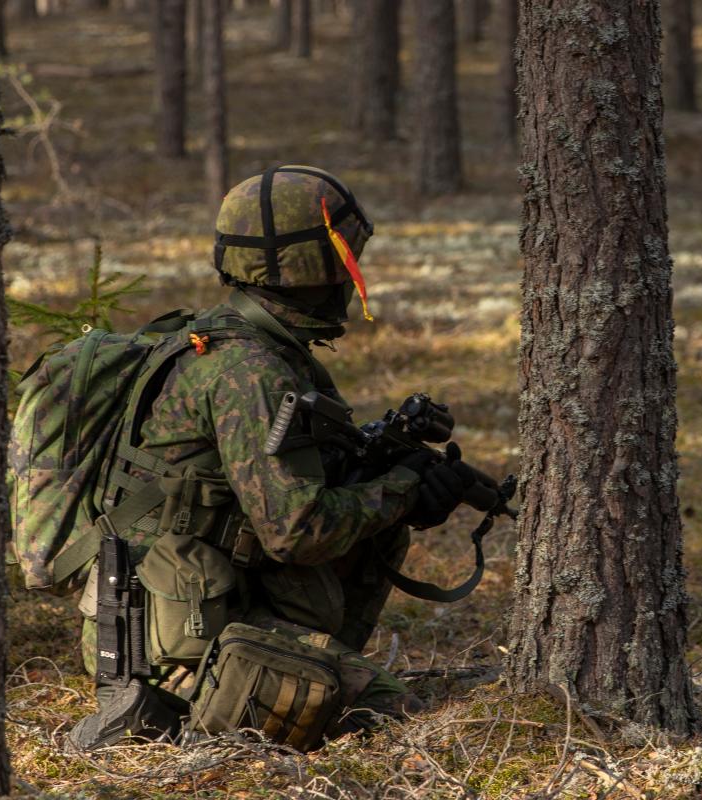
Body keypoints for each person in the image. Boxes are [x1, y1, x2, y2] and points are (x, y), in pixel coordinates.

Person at [67, 165, 481, 751]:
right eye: (344, 262)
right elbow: (298, 531)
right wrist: (401, 490)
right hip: (173, 639)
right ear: (308, 267)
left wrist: (389, 472)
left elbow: (282, 483)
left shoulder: (241, 342)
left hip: (185, 609)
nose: (350, 278)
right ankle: (160, 709)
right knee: (392, 714)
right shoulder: (249, 371)